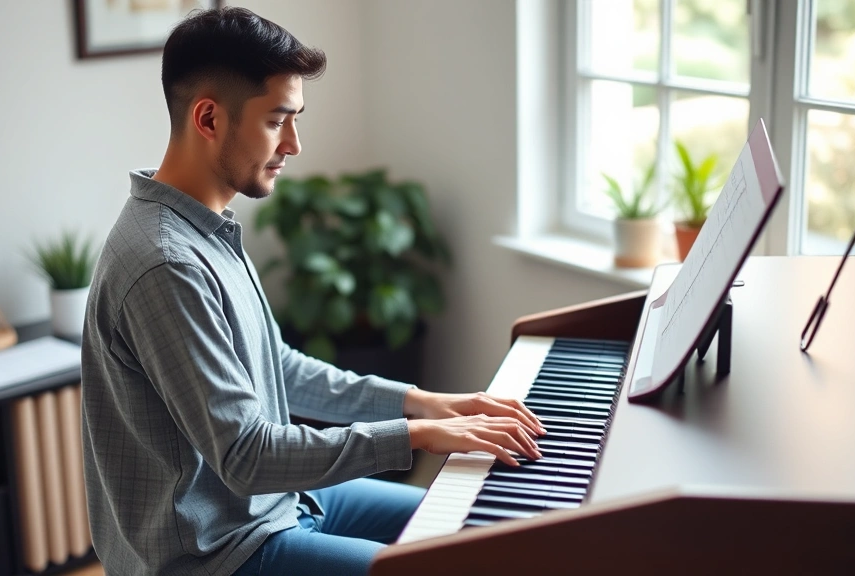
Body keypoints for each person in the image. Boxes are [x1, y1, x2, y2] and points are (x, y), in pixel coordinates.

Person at [80, 7, 545, 576]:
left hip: (279, 509)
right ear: (208, 119)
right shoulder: (166, 263)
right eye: (278, 120)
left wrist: (424, 403)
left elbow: (281, 367)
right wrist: (417, 435)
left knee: (474, 528)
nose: (295, 144)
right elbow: (246, 456)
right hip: (216, 553)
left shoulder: (204, 227)